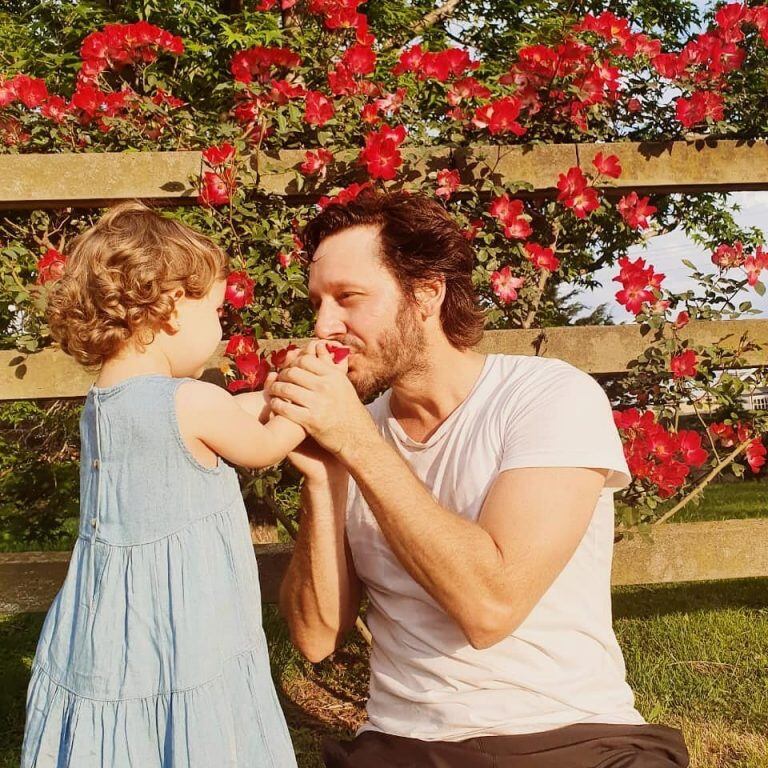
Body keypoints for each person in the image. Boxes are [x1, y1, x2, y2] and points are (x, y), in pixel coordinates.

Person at [272, 192, 690, 768]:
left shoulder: (547, 396)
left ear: (426, 294)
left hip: (570, 736)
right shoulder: (355, 435)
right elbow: (317, 637)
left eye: (349, 298)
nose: (324, 326)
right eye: (318, 302)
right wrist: (323, 478)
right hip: (401, 744)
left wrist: (357, 444)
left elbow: (490, 608)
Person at [21, 201, 323, 767]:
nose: (220, 326)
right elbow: (258, 447)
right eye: (215, 311)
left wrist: (268, 397)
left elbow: (221, 418)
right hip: (188, 623)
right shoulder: (191, 400)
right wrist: (305, 405)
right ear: (172, 309)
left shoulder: (104, 401)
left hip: (115, 622)